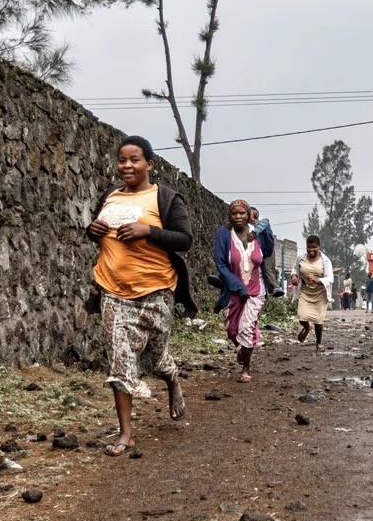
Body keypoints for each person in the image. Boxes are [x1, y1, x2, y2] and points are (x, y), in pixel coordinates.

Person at [86, 135, 192, 456]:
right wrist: (92, 231)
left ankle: (171, 379)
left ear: (149, 164)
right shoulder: (110, 196)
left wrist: (149, 231)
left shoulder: (166, 198)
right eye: (122, 160)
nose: (127, 165)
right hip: (113, 290)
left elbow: (185, 239)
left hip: (157, 290)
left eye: (134, 160)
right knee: (120, 359)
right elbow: (98, 230)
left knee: (154, 356)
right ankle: (126, 434)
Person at [213, 199, 268, 383]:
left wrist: (262, 226)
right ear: (229, 215)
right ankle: (240, 347)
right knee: (231, 330)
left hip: (255, 289)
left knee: (246, 326)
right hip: (234, 290)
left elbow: (268, 249)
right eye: (234, 213)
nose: (238, 217)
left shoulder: (256, 234)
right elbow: (220, 263)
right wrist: (237, 286)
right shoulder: (224, 234)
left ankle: (246, 367)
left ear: (248, 215)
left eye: (242, 213)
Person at [291, 235, 335, 349]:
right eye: (308, 247)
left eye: (314, 247)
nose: (311, 250)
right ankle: (307, 327)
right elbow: (295, 268)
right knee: (302, 316)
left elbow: (330, 278)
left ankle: (319, 342)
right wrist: (294, 276)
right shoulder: (301, 258)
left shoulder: (325, 261)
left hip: (320, 293)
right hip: (305, 291)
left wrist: (318, 280)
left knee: (318, 320)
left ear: (319, 247)